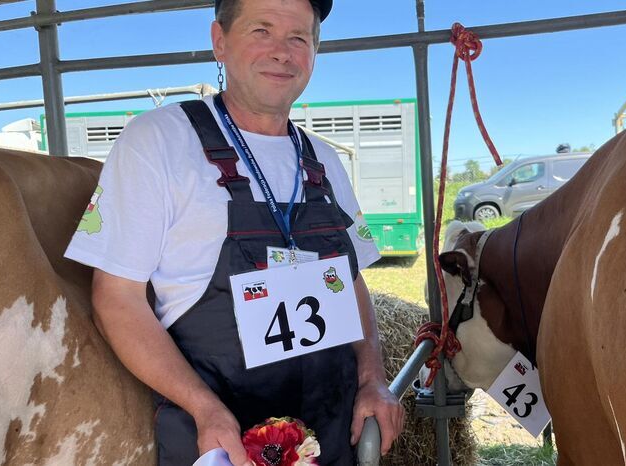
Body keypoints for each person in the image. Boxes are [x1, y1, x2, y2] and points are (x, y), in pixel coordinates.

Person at [64, 0, 404, 464]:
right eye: (261, 30)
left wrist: (372, 379)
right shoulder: (157, 141)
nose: (282, 52)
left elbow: (352, 284)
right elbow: (115, 300)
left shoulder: (325, 160)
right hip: (218, 439)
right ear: (219, 41)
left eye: (299, 38)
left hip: (330, 432)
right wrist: (205, 410)